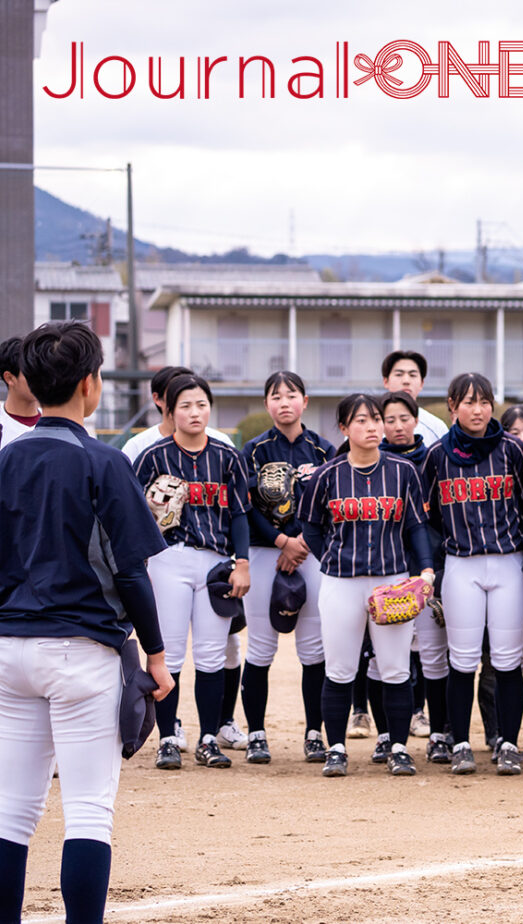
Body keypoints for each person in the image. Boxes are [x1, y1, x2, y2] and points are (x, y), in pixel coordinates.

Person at [0, 321, 173, 924]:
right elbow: (130, 572)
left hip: (9, 650)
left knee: (11, 813)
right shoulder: (102, 462)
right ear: (90, 386)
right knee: (89, 812)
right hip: (81, 652)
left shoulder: (7, 459)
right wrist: (155, 653)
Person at [296, 394, 433, 778]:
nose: (373, 427)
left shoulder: (403, 471)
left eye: (376, 419)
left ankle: (398, 746)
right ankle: (337, 747)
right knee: (340, 669)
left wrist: (425, 570)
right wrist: (333, 559)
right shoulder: (327, 475)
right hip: (341, 582)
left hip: (391, 580)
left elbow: (416, 527)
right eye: (361, 420)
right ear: (344, 428)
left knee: (395, 669)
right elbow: (310, 528)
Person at [133, 374, 251, 772]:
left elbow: (238, 514)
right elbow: (132, 512)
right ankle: (168, 737)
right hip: (169, 558)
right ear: (169, 410)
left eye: (201, 404)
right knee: (170, 651)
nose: (194, 412)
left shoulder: (227, 455)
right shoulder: (153, 456)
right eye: (185, 405)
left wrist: (244, 562)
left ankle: (207, 739)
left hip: (216, 561)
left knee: (212, 655)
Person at [420, 374, 523, 775]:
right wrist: (431, 570)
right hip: (461, 564)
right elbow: (427, 516)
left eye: (484, 401)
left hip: (509, 561)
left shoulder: (513, 451)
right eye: (469, 402)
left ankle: (508, 743)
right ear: (452, 406)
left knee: (507, 662)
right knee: (462, 661)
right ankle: (461, 742)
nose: (478, 410)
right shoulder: (437, 456)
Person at [239, 371, 336, 766]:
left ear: (305, 401)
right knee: (261, 647)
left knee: (313, 649)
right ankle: (257, 735)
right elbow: (244, 507)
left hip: (311, 554)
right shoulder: (253, 450)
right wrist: (282, 542)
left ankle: (315, 734)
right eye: (275, 396)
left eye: (291, 394)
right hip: (265, 551)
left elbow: (332, 506)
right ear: (266, 405)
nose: (284, 402)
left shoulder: (325, 449)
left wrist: (301, 544)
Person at [379, 390, 447, 761]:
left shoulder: (434, 459)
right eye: (389, 419)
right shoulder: (367, 460)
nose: (398, 426)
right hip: (387, 568)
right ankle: (387, 735)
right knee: (385, 659)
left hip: (430, 565)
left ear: (417, 420)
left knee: (434, 656)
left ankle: (439, 733)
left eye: (405, 418)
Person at [120, 366, 236, 464]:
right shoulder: (138, 447)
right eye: (176, 393)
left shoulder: (222, 443)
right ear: (157, 398)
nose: (194, 412)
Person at [380, 351, 448, 447]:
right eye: (399, 374)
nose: (406, 381)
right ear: (385, 381)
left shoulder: (436, 427)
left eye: (412, 375)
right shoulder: (370, 425)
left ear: (422, 383)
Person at [0, 335, 41, 446]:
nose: (40, 379)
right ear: (9, 378)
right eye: (31, 373)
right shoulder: (2, 426)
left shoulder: (55, 423)